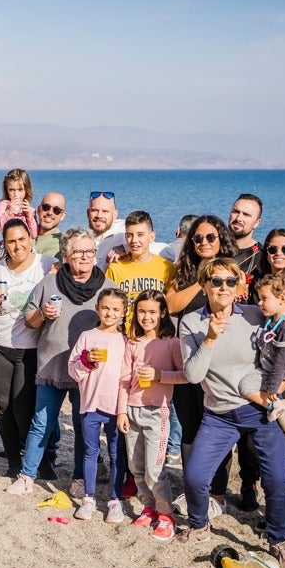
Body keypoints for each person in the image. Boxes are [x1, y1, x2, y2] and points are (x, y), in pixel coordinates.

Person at [176, 257, 285, 568]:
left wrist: (284, 382)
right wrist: (210, 338)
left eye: (230, 281)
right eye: (216, 281)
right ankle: (199, 523)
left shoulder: (256, 315)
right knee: (194, 477)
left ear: (239, 286)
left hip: (261, 412)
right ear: (204, 285)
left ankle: (278, 540)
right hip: (218, 414)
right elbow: (193, 375)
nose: (223, 287)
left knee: (275, 480)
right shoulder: (191, 322)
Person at [165, 215, 253, 514]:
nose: (204, 243)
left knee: (218, 426)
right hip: (190, 360)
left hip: (223, 367)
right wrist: (203, 280)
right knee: (190, 426)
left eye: (210, 237)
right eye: (198, 238)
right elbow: (172, 305)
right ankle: (193, 489)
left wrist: (223, 277)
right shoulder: (185, 271)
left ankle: (216, 494)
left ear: (221, 240)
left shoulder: (232, 273)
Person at [11, 228, 106, 495]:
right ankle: (27, 476)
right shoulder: (49, 284)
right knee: (41, 422)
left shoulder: (106, 288)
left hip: (87, 371)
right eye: (78, 252)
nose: (85, 257)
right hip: (52, 366)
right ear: (65, 255)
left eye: (89, 252)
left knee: (81, 426)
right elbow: (29, 320)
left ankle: (78, 478)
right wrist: (42, 313)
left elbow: (117, 325)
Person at [0, 219, 57, 479]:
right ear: (4, 244)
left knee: (25, 408)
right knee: (3, 407)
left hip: (30, 348)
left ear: (31, 238)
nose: (17, 245)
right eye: (11, 241)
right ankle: (13, 460)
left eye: (22, 239)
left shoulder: (46, 265)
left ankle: (38, 459)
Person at [118, 290, 185, 541]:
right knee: (136, 467)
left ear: (163, 313)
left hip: (158, 412)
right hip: (132, 411)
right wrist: (122, 411)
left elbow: (185, 374)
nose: (146, 317)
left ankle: (166, 515)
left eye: (152, 312)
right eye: (142, 312)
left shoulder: (171, 343)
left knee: (155, 469)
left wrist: (159, 376)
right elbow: (124, 380)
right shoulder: (131, 342)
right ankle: (148, 508)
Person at [65, 288, 128, 519]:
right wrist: (86, 361)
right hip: (89, 404)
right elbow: (73, 371)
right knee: (91, 452)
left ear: (123, 312)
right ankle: (89, 498)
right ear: (97, 309)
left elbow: (126, 377)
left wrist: (123, 409)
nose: (110, 313)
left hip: (115, 408)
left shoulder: (124, 340)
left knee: (115, 453)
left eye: (115, 309)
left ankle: (115, 500)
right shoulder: (87, 336)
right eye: (105, 308)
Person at [243, 272, 285, 432]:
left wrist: (273, 387)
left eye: (264, 298)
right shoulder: (273, 318)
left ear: (282, 299)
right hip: (272, 364)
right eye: (259, 298)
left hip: (284, 367)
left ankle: (277, 406)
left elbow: (282, 361)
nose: (259, 303)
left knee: (245, 387)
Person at [105, 211, 175, 323]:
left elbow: (172, 304)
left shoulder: (166, 267)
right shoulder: (116, 268)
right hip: (125, 335)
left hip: (155, 335)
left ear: (151, 237)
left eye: (140, 235)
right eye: (129, 235)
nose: (134, 240)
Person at [0, 168, 38, 238]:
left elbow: (34, 235)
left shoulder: (30, 210)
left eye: (20, 190)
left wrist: (29, 216)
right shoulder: (4, 205)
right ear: (6, 190)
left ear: (26, 190)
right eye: (11, 190)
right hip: (9, 244)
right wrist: (9, 212)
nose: (16, 194)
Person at [229, 194, 264, 284]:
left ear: (257, 223)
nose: (239, 218)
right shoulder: (213, 247)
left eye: (246, 215)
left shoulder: (262, 258)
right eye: (235, 212)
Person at [33, 192, 67, 260]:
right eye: (46, 207)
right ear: (38, 209)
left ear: (62, 215)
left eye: (56, 210)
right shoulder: (26, 232)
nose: (50, 213)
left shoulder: (60, 244)